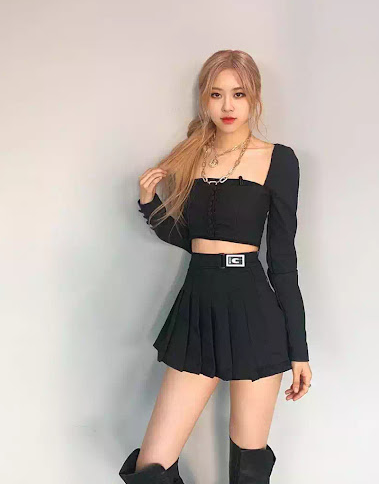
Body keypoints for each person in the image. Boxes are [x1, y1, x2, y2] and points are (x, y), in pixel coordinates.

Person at [119, 50, 312, 484]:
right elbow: (191, 240)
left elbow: (283, 260)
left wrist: (298, 349)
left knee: (248, 469)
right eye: (217, 94)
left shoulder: (278, 159)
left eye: (238, 94)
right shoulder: (190, 157)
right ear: (204, 99)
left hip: (253, 311)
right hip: (198, 307)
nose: (228, 106)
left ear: (254, 98)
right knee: (152, 465)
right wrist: (149, 205)